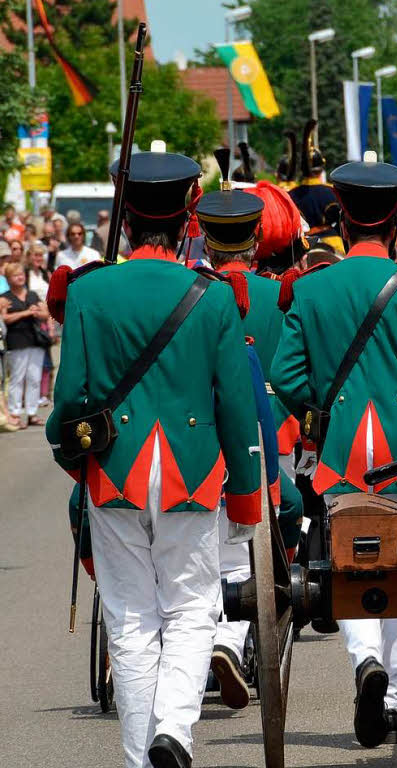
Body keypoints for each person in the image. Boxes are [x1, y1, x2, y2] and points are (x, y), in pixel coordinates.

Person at [43, 150, 262, 768]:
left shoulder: (89, 291)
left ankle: (145, 757)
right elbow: (235, 407)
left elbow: (69, 403)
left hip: (113, 470)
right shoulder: (214, 295)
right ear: (191, 212)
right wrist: (245, 489)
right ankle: (174, 731)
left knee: (131, 619)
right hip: (192, 468)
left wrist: (75, 465)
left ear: (124, 213)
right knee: (194, 608)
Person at [272, 151, 397, 748]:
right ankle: (393, 698)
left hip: (341, 449)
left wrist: (318, 416)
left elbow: (287, 373)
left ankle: (364, 662)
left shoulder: (313, 287)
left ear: (342, 221)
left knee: (351, 557)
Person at [192, 154, 305, 710]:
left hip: (194, 441)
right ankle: (245, 621)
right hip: (269, 439)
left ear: (206, 241)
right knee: (284, 516)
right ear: (257, 237)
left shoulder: (192, 291)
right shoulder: (278, 295)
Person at [1, 262, 49, 428]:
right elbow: (4, 318)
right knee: (17, 378)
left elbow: (46, 314)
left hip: (35, 340)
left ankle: (32, 413)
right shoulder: (5, 298)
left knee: (34, 378)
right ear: (8, 279)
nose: (20, 277)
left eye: (21, 273)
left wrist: (37, 312)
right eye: (15, 275)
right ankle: (15, 412)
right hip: (16, 341)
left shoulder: (32, 295)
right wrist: (26, 313)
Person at [289, 119, 344, 252]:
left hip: (302, 246)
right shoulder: (332, 191)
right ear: (321, 168)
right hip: (332, 241)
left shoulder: (290, 194)